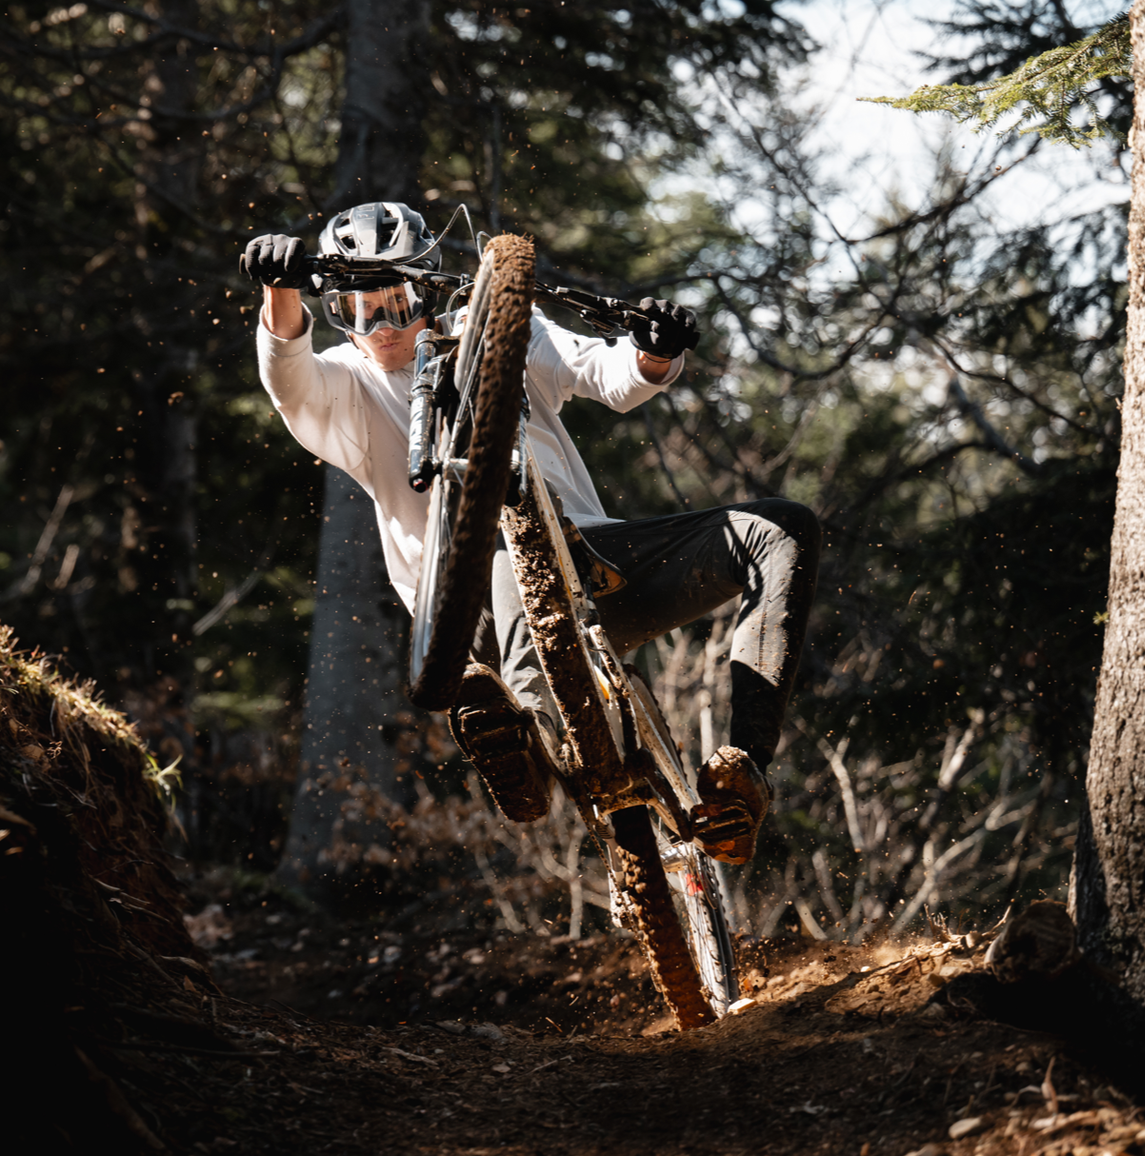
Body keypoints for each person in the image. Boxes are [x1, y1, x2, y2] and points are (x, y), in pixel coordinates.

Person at [242, 200, 820, 864]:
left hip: (595, 564)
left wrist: (654, 353)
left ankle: (742, 775)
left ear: (428, 287)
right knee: (494, 534)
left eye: (396, 302)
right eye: (356, 311)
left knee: (782, 530)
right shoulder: (343, 390)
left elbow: (609, 374)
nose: (379, 327)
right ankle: (528, 739)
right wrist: (278, 287)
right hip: (472, 614)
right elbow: (287, 376)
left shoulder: (501, 333)